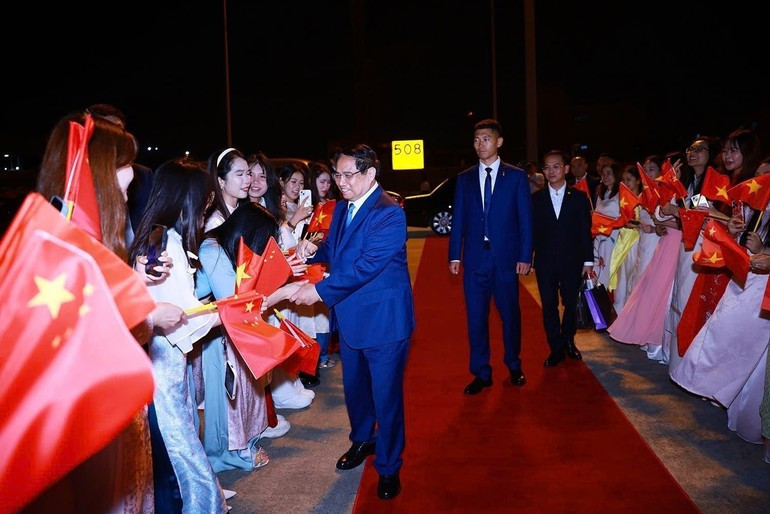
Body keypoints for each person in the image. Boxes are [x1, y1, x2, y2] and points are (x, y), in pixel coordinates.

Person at [31, 111, 185, 513]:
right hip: (97, 411)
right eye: (123, 183)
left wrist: (135, 278)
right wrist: (151, 316)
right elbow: (84, 334)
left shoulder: (66, 231)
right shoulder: (72, 243)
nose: (128, 194)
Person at [291, 144, 415, 501]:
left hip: (384, 323)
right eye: (337, 175)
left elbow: (365, 266)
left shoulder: (389, 213)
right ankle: (362, 440)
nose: (340, 182)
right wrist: (314, 249)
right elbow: (336, 247)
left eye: (348, 175)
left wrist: (318, 291)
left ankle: (389, 466)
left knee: (386, 398)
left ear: (370, 173)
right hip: (350, 317)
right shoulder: (344, 207)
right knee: (356, 390)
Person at [128, 157, 228, 514]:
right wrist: (226, 314)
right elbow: (179, 314)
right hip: (163, 360)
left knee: (181, 435)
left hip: (167, 355)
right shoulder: (166, 242)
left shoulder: (158, 236)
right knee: (179, 442)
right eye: (203, 201)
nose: (206, 209)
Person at [448, 118, 533, 394]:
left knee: (510, 315)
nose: (480, 144)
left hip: (506, 260)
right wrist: (454, 255)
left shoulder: (516, 177)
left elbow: (525, 220)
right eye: (476, 140)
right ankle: (481, 372)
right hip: (475, 261)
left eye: (486, 139)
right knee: (476, 319)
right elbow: (458, 219)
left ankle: (514, 365)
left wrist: (525, 255)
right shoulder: (465, 179)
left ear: (499, 142)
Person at [532, 150, 594, 367]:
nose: (551, 171)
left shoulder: (579, 198)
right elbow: (531, 232)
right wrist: (526, 257)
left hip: (572, 261)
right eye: (547, 167)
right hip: (545, 261)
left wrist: (588, 261)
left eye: (556, 166)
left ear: (566, 169)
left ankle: (568, 340)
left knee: (570, 303)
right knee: (549, 305)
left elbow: (584, 231)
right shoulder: (536, 199)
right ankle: (555, 348)